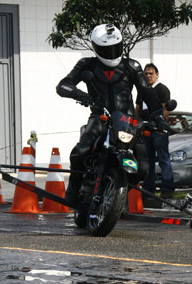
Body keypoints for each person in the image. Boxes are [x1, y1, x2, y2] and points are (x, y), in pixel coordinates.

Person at [56, 24, 166, 204]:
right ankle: (74, 187)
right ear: (96, 47)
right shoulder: (87, 64)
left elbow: (148, 93)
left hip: (128, 121)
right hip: (100, 118)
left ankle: (119, 192)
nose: (112, 52)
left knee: (143, 167)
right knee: (81, 151)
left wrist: (158, 116)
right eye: (106, 49)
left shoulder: (132, 66)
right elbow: (63, 85)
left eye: (115, 47)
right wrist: (81, 95)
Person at [135, 63, 174, 199]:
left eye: (151, 73)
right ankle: (148, 190)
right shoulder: (142, 90)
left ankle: (167, 190)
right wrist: (137, 123)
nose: (148, 76)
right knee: (147, 161)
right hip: (145, 130)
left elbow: (166, 111)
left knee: (164, 159)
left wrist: (160, 124)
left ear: (157, 75)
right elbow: (138, 109)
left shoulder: (162, 89)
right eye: (146, 74)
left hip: (159, 130)